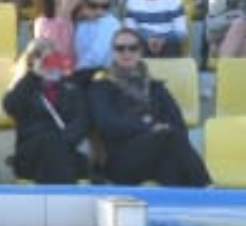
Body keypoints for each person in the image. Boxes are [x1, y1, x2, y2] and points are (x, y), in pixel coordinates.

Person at [87, 26, 209, 186]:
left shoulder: (156, 88)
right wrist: (149, 128)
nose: (126, 53)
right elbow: (108, 124)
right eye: (120, 48)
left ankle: (182, 209)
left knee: (171, 166)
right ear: (113, 53)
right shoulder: (102, 87)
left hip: (155, 157)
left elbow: (178, 124)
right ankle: (208, 188)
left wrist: (155, 133)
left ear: (140, 52)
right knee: (168, 137)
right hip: (120, 161)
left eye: (133, 48)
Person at [1, 42, 90, 182]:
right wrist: (33, 76)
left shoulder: (72, 88)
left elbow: (82, 120)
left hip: (64, 149)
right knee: (50, 143)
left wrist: (62, 140)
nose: (50, 64)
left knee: (56, 149)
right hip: (31, 153)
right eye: (45, 60)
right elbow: (10, 107)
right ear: (31, 61)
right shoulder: (24, 87)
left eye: (54, 58)